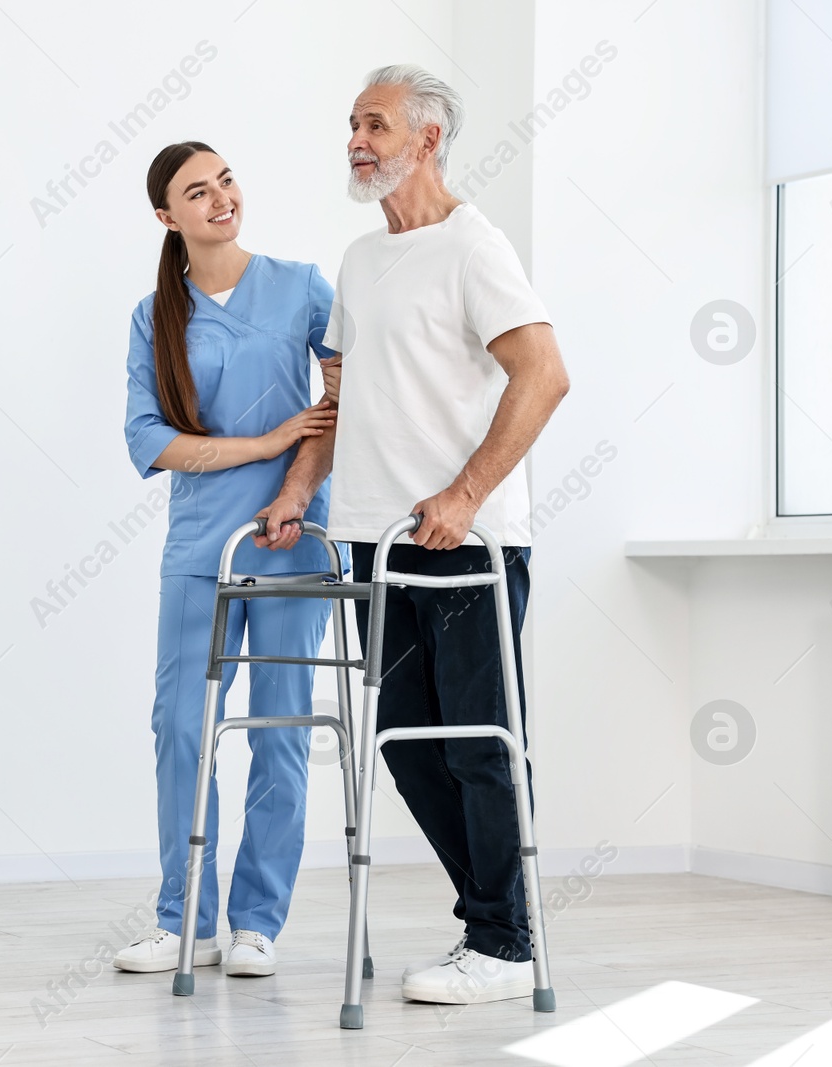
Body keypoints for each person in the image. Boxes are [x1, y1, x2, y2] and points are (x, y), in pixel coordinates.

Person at [258, 65, 571, 1005]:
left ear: (428, 139)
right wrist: (297, 487)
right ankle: (490, 921)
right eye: (352, 123)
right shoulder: (360, 259)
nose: (357, 139)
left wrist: (466, 495)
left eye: (376, 124)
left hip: (465, 545)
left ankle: (505, 944)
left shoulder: (475, 247)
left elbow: (544, 374)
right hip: (377, 544)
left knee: (480, 742)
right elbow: (343, 398)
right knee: (400, 739)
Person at [116, 141, 338, 979]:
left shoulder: (303, 286)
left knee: (280, 728)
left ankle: (256, 922)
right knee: (181, 726)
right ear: (169, 217)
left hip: (290, 539)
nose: (221, 200)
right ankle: (185, 919)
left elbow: (348, 393)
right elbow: (148, 439)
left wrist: (293, 476)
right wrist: (269, 439)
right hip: (201, 543)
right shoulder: (155, 315)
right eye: (198, 192)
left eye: (227, 181)